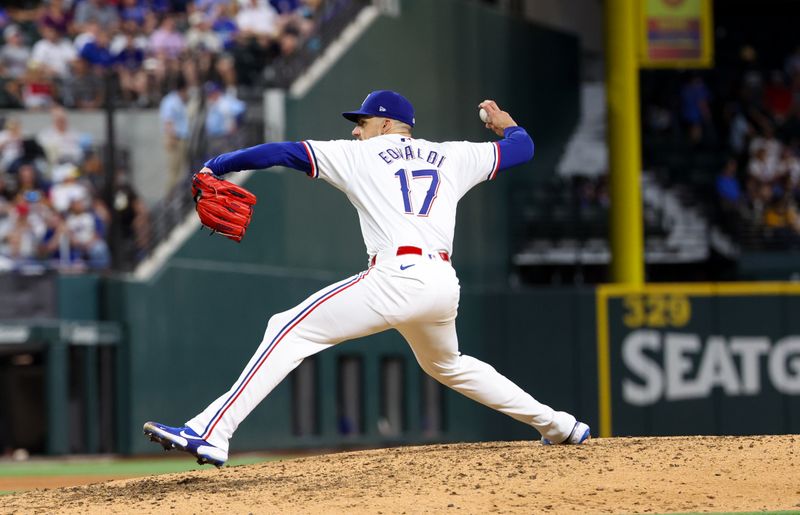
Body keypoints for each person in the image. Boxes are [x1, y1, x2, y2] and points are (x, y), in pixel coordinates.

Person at [143, 91, 591, 467]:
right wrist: (508, 125)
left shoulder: (357, 154)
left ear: (385, 122)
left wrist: (218, 163)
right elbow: (524, 148)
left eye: (362, 122)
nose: (356, 129)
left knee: (287, 327)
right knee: (448, 364)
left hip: (397, 276)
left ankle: (210, 432)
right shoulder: (454, 154)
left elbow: (280, 152)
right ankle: (560, 425)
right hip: (441, 283)